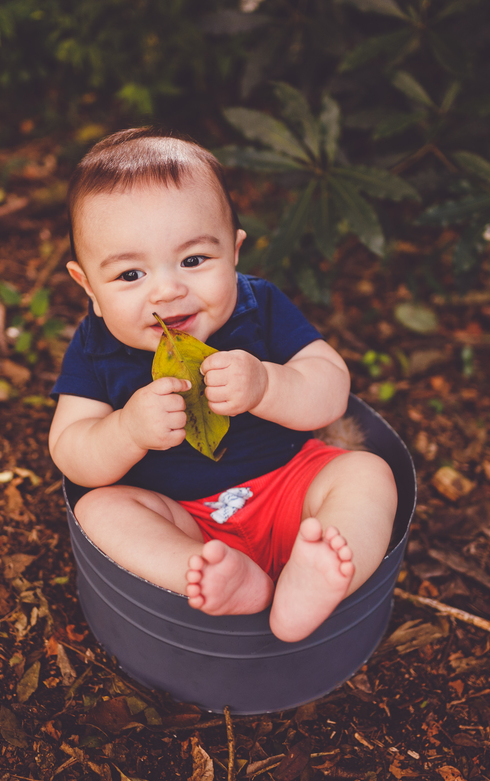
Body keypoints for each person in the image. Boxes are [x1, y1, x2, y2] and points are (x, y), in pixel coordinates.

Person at [48, 128, 397, 643]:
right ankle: (214, 573)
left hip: (290, 490)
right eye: (129, 275)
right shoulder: (96, 346)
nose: (167, 289)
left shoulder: (260, 307)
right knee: (101, 510)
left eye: (193, 261)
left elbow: (331, 389)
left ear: (234, 253)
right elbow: (70, 451)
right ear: (88, 288)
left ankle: (319, 567)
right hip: (179, 515)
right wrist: (126, 431)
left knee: (367, 474)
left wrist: (268, 386)